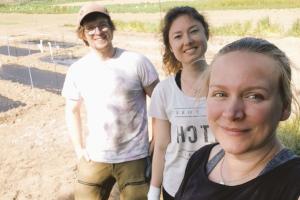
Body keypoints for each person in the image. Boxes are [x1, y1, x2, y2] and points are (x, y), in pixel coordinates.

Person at [175, 37, 300, 200]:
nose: (231, 113)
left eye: (254, 96)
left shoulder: (293, 185)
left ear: (285, 107)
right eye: (220, 94)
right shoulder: (200, 159)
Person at [61, 2, 159, 200]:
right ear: (83, 34)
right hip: (95, 157)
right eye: (90, 28)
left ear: (111, 28)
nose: (98, 31)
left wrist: (157, 138)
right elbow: (71, 111)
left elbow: (159, 101)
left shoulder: (137, 62)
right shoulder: (77, 70)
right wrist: (79, 149)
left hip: (135, 157)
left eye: (103, 24)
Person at [147, 6, 215, 200]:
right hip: (176, 187)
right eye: (177, 36)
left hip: (220, 186)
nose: (187, 41)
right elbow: (161, 146)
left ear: (206, 34)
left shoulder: (227, 84)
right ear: (170, 46)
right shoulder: (164, 91)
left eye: (194, 31)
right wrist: (153, 191)